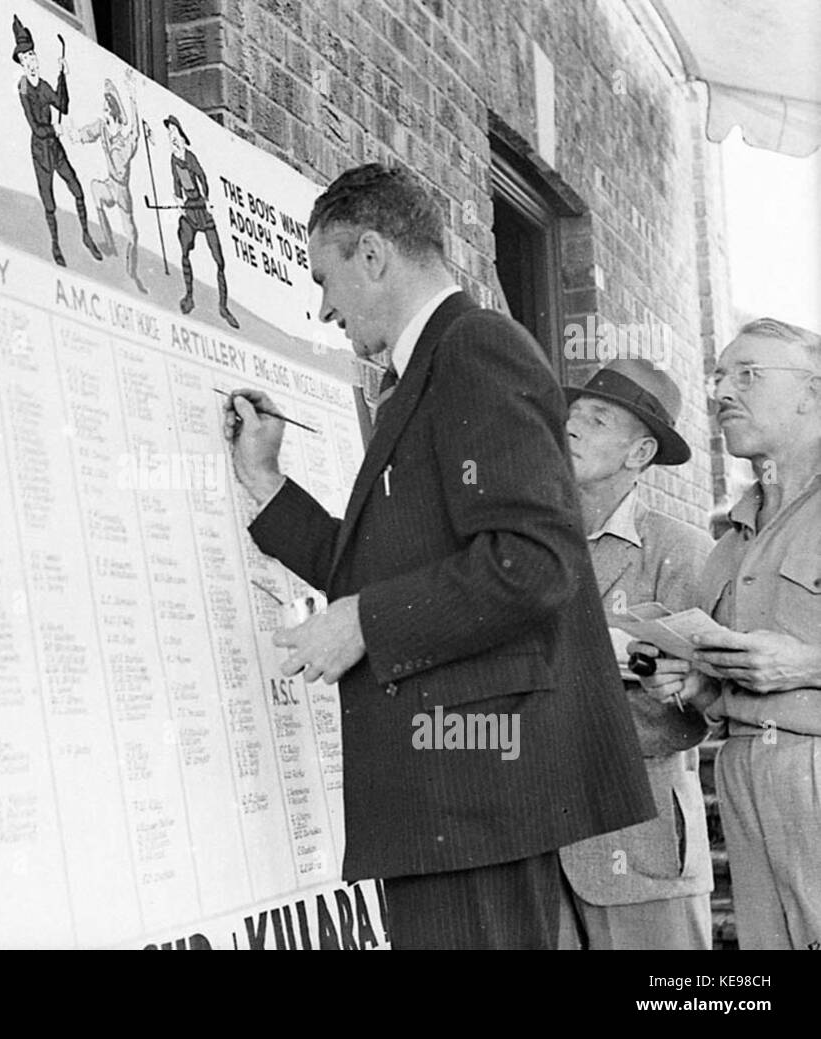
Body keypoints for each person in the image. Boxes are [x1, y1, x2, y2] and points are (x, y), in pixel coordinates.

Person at [223, 162, 653, 949]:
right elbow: (381, 571)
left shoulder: (476, 350)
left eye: (326, 278)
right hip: (449, 797)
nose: (324, 307)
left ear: (375, 255)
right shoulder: (429, 367)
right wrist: (266, 481)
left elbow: (535, 561)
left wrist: (365, 622)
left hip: (472, 789)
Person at [634, 317, 821, 950]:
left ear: (812, 392)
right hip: (745, 771)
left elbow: (794, 665)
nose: (722, 393)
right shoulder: (729, 541)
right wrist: (692, 682)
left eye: (748, 375)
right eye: (719, 376)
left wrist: (808, 667)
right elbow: (720, 690)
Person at [557, 358, 714, 950]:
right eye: (571, 416)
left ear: (640, 453)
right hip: (534, 848)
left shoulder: (680, 551)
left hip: (638, 846)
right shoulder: (527, 542)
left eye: (596, 420)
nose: (570, 428)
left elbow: (702, 706)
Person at [11, 15, 103, 267]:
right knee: (48, 200)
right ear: (20, 61)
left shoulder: (43, 85)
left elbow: (61, 104)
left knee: (76, 188)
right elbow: (35, 126)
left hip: (55, 147)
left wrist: (63, 77)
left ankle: (85, 234)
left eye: (33, 56)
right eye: (26, 57)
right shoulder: (24, 89)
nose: (31, 61)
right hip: (41, 150)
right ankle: (55, 244)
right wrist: (54, 128)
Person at [71, 70, 146, 293]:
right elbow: (87, 132)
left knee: (131, 232)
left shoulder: (125, 142)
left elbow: (136, 132)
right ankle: (109, 242)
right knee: (95, 188)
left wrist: (132, 97)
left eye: (106, 109)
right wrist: (75, 134)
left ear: (113, 111)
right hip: (109, 184)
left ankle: (132, 273)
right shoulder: (103, 128)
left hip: (122, 191)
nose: (103, 113)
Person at [164, 115, 238, 329]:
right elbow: (176, 182)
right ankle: (189, 295)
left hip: (201, 208)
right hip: (189, 208)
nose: (173, 139)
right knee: (185, 249)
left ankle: (223, 306)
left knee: (218, 259)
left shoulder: (190, 157)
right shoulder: (173, 159)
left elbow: (202, 177)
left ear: (183, 136)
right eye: (170, 135)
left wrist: (206, 198)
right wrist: (178, 200)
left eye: (175, 134)